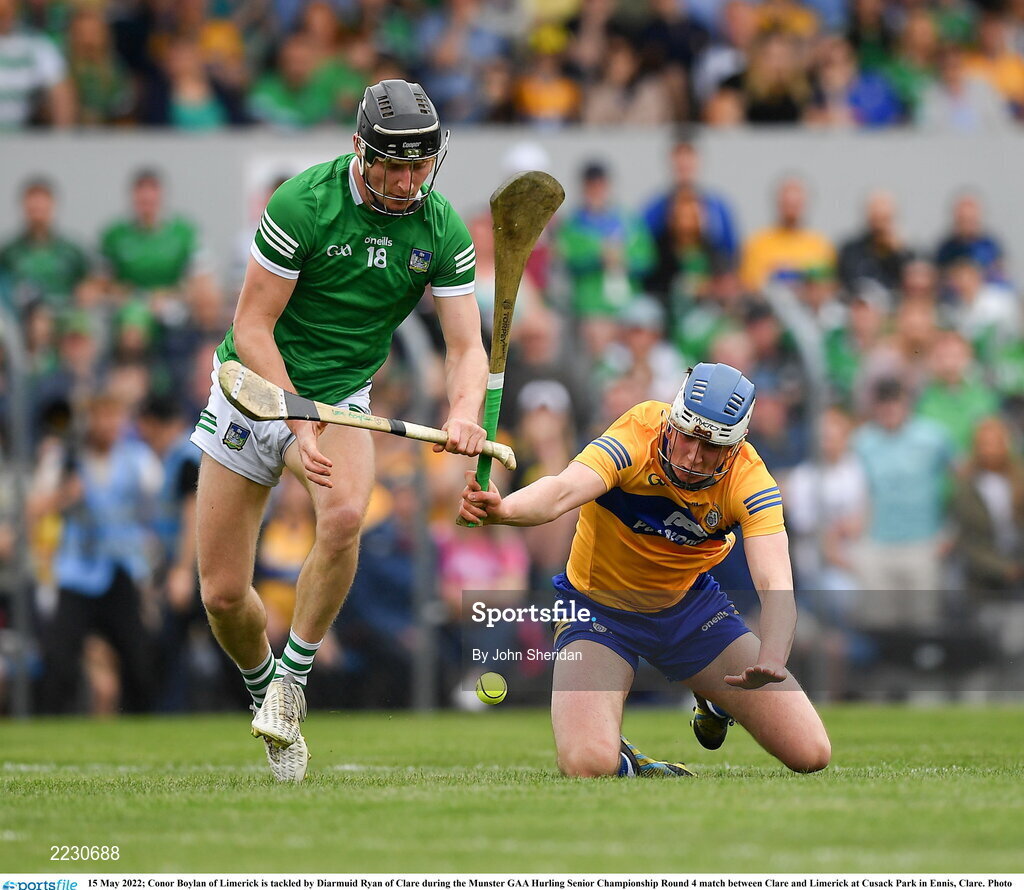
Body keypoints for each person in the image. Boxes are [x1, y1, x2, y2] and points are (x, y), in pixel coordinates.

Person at [191, 80, 487, 782]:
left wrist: (465, 411)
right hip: (253, 392)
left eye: (421, 166)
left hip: (340, 400)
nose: (409, 181)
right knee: (223, 595)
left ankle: (292, 684)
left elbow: (466, 346)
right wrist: (292, 414)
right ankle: (262, 685)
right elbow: (251, 326)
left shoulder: (441, 227)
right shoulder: (302, 204)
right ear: (360, 150)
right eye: (394, 165)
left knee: (346, 513)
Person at [459, 362, 831, 778]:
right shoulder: (636, 434)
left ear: (735, 447)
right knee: (587, 765)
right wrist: (505, 509)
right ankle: (632, 763)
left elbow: (776, 583)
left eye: (711, 449)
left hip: (691, 611)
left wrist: (773, 658)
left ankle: (713, 699)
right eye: (688, 437)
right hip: (597, 612)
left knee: (811, 753)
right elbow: (562, 490)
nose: (693, 456)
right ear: (672, 422)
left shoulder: (751, 479)